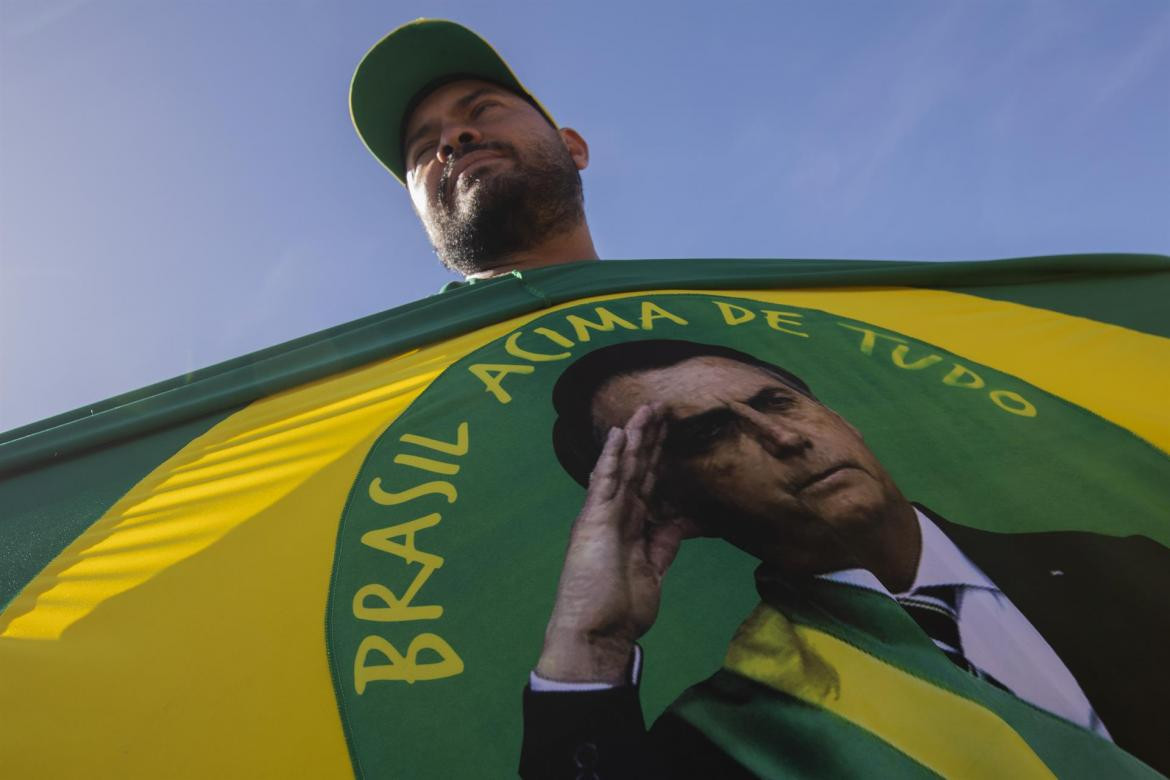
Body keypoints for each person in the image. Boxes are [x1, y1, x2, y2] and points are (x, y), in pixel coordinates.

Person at [520, 339, 1170, 778]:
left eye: (777, 402)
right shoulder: (731, 737)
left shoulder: (1130, 568)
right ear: (662, 507)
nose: (783, 437)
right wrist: (592, 645)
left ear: (842, 419)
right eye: (711, 434)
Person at [349, 18, 600, 283]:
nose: (451, 138)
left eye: (483, 109)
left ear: (572, 147)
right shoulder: (418, 327)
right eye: (423, 148)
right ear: (417, 210)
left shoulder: (648, 284)